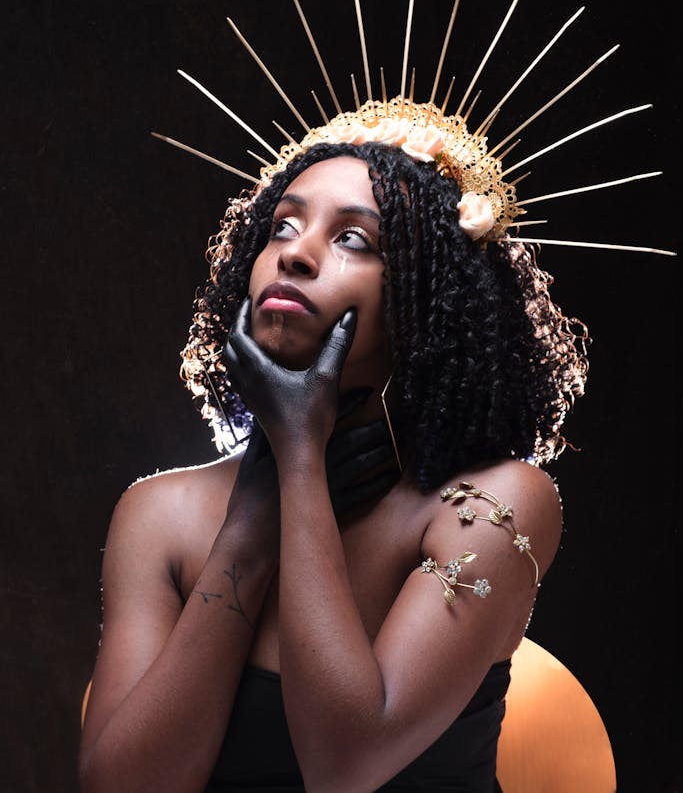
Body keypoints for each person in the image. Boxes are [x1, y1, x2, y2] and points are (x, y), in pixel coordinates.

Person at [77, 131, 590, 792]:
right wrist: (252, 529)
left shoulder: (489, 507)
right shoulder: (160, 515)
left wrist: (298, 458)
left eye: (353, 239)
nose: (295, 253)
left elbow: (342, 767)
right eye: (282, 226)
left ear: (429, 298)